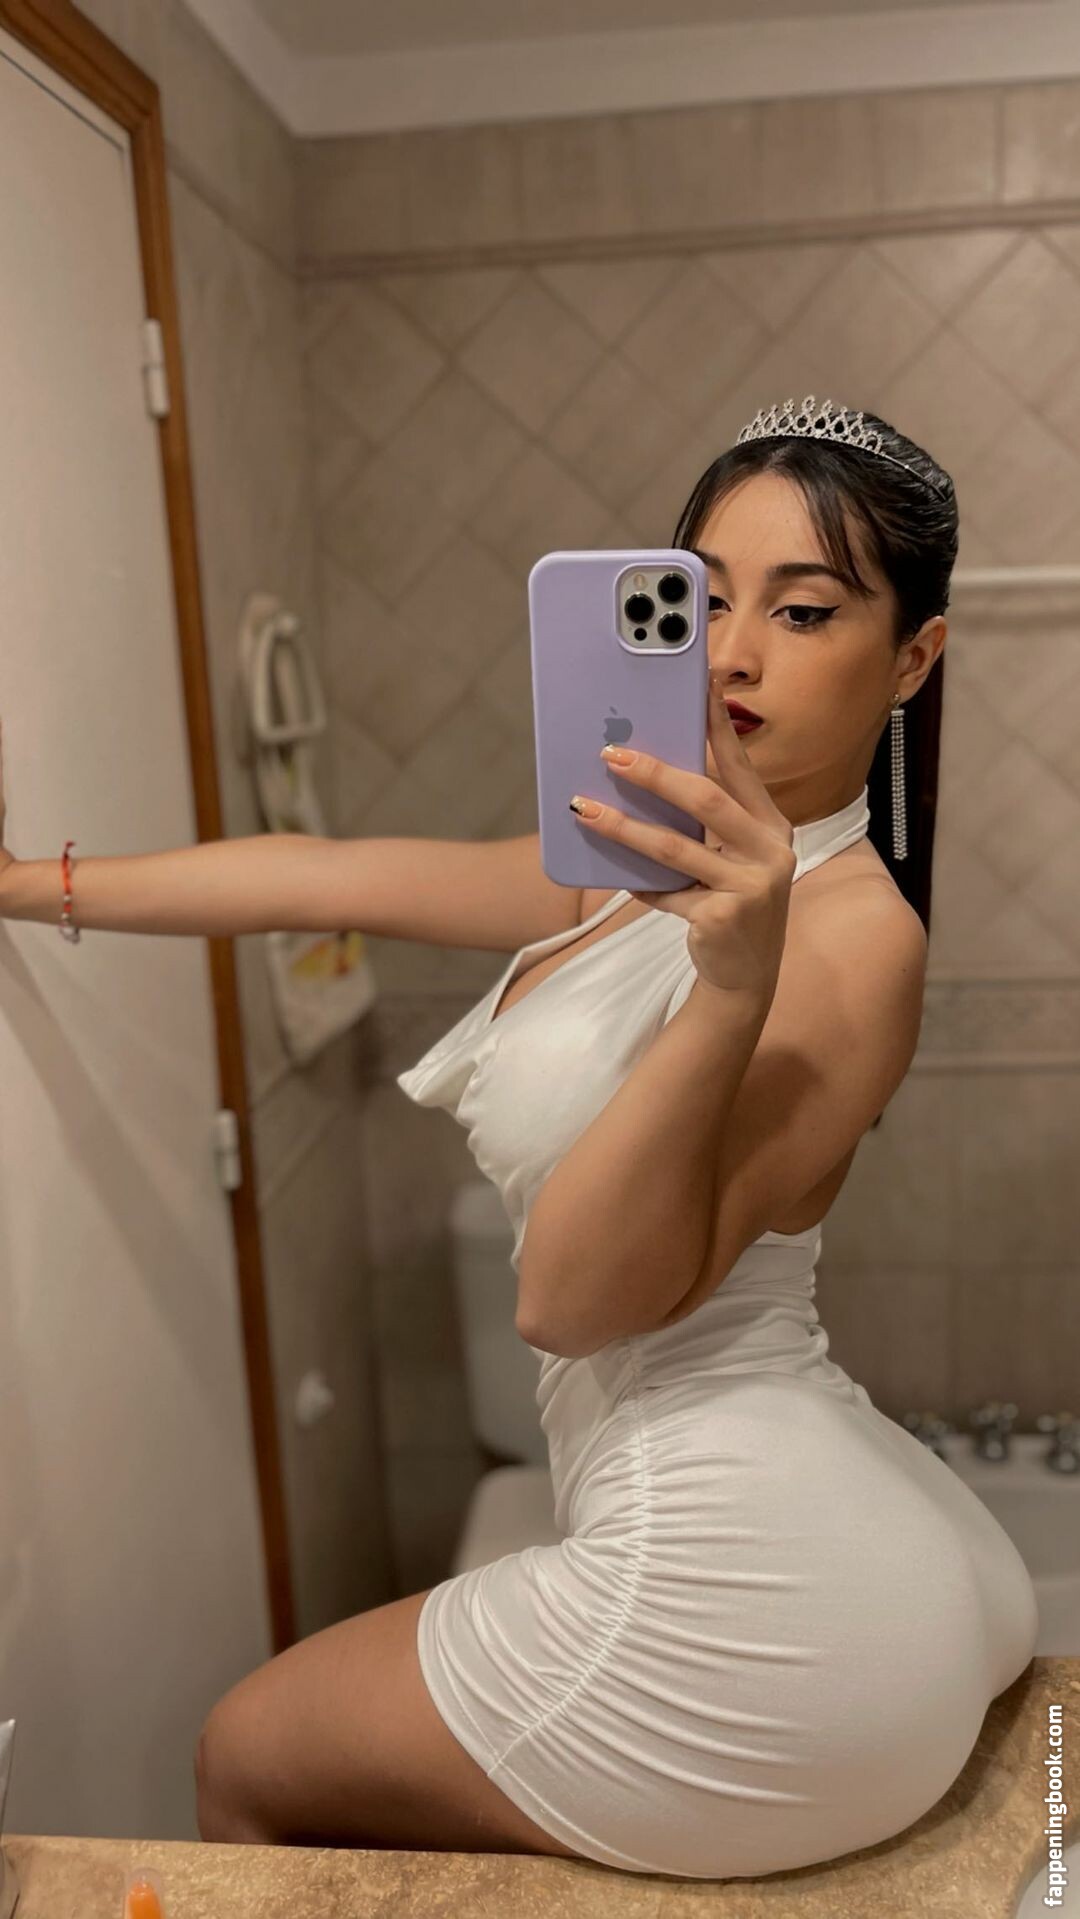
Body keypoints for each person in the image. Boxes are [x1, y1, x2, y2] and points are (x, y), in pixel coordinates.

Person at [0, 397, 1039, 1878]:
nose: (731, 655)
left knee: (243, 1756)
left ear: (913, 658)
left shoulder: (856, 936)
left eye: (804, 611)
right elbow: (331, 873)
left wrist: (730, 989)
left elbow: (568, 1300)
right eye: (701, 598)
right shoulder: (620, 865)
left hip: (744, 1586)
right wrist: (32, 883)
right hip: (840, 1517)